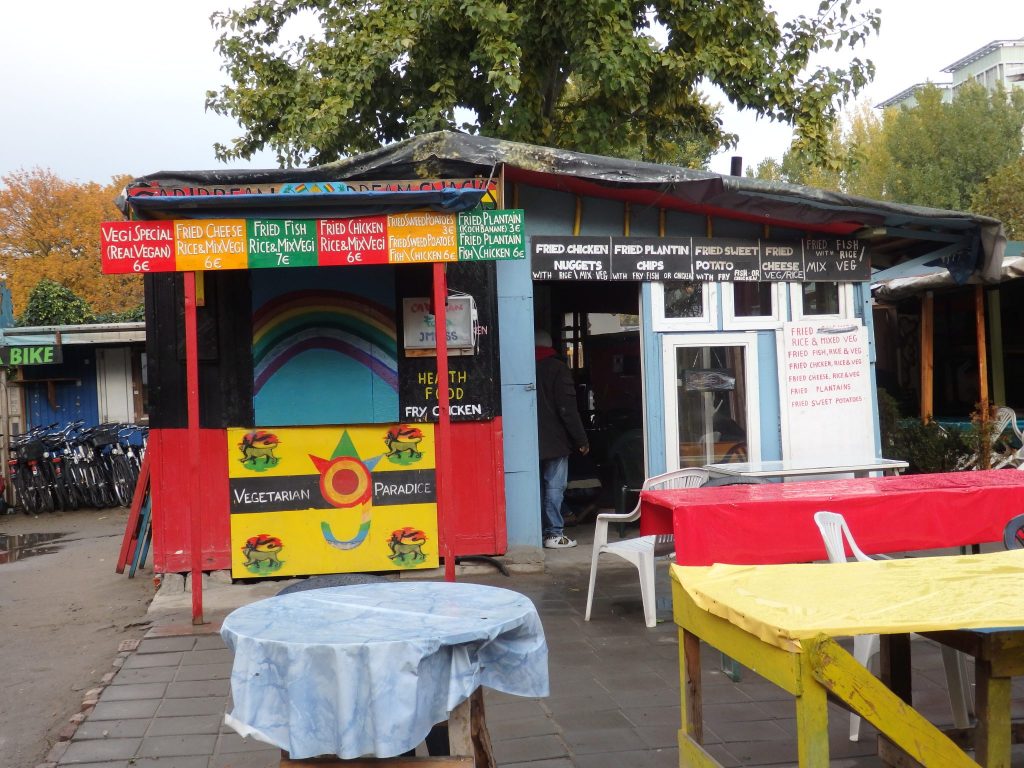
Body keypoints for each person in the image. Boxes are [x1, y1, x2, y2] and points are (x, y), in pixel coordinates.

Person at [535, 329, 589, 549]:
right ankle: (553, 533)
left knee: (535, 487)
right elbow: (567, 409)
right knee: (554, 488)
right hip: (555, 442)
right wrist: (581, 439)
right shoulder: (557, 369)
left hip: (526, 442)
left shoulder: (521, 367)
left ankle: (533, 531)